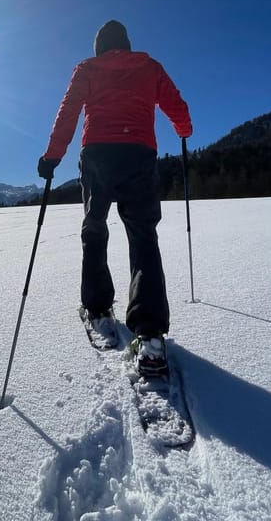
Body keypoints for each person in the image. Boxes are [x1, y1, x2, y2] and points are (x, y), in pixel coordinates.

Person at [38, 19, 192, 376]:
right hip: (139, 154)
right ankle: (151, 335)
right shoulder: (149, 66)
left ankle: (96, 307)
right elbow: (176, 105)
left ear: (99, 48)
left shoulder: (88, 69)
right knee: (142, 235)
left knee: (95, 227)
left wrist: (52, 157)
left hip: (98, 156)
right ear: (125, 43)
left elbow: (69, 113)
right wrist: (184, 130)